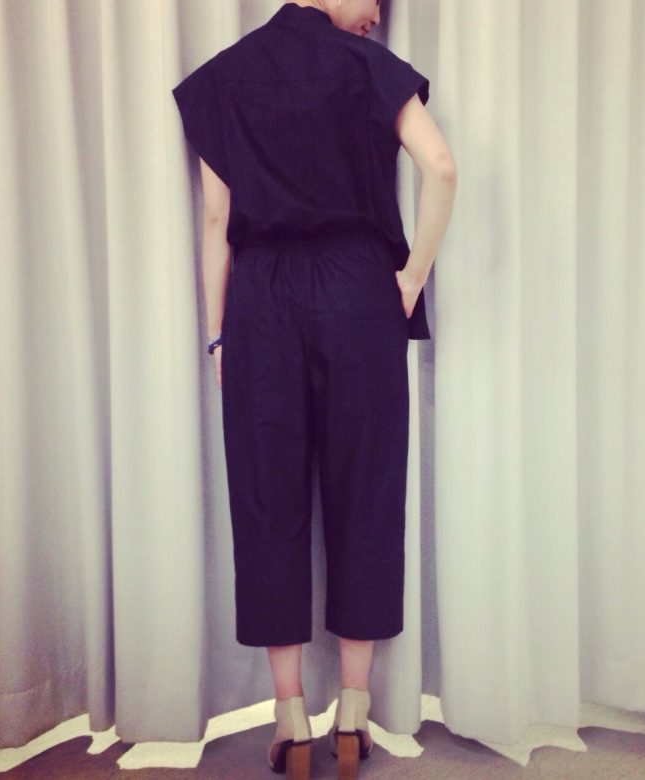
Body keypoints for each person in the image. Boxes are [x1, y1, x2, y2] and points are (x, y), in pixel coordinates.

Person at [172, 1, 456, 777]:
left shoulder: (226, 78)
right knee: (368, 489)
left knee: (268, 498)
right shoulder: (366, 67)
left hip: (261, 297)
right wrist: (410, 279)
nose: (378, 17)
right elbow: (440, 167)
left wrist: (219, 333)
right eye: (374, 2)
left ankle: (291, 717)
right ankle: (354, 714)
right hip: (359, 291)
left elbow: (217, 219)